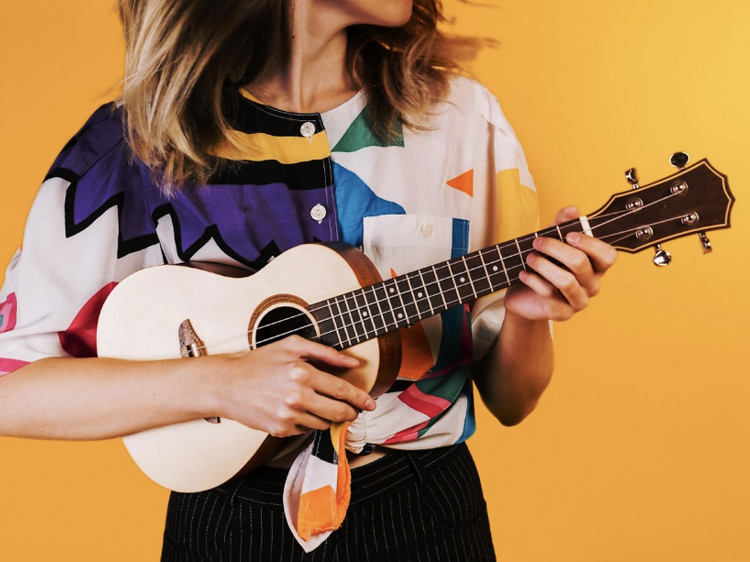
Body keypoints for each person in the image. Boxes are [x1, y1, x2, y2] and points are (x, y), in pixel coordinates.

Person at [0, 0, 617, 560]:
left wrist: (530, 316)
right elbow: (12, 388)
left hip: (427, 513)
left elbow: (515, 400)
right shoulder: (139, 145)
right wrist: (218, 384)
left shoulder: (463, 121)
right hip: (227, 525)